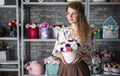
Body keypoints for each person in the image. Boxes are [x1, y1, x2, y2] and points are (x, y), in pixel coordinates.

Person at [52, 2, 93, 76]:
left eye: (74, 13)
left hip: (80, 69)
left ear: (80, 15)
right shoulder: (62, 31)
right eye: (68, 13)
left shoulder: (88, 32)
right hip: (64, 69)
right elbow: (55, 52)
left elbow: (94, 55)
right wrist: (61, 56)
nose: (70, 16)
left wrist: (82, 57)